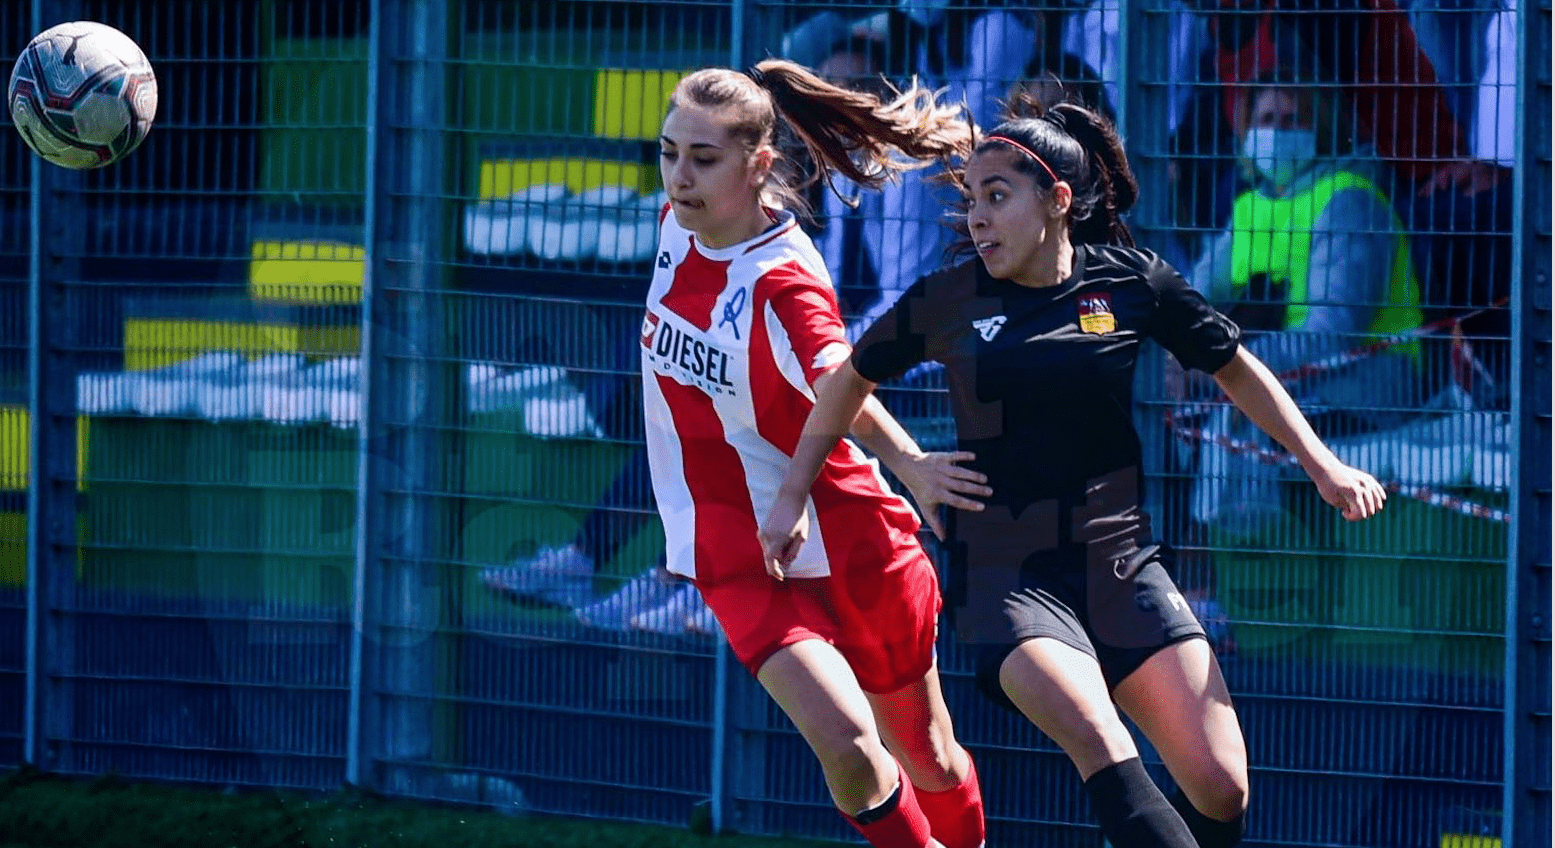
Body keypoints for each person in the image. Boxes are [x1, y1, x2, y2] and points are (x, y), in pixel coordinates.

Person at [761, 101, 1390, 848]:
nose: (977, 219)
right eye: (970, 201)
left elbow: (1237, 369)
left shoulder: (1130, 282)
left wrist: (1321, 465)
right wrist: (847, 481)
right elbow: (845, 378)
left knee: (1220, 785)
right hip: (1006, 578)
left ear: (1056, 200)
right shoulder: (948, 300)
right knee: (1103, 743)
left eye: (996, 196)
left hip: (1121, 563)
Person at [643, 60, 988, 848]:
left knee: (926, 755)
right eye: (668, 152)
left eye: (703, 158)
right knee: (850, 749)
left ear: (757, 164)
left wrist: (911, 466)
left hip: (849, 537)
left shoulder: (782, 279)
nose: (679, 176)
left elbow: (842, 382)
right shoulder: (674, 227)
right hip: (742, 552)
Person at [1185, 71, 1423, 528]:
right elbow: (1189, 298)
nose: (1277, 131)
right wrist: (1178, 357)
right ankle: (1208, 562)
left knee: (1251, 410)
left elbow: (1332, 337)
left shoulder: (1349, 199)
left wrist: (1219, 363)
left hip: (1369, 381)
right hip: (1297, 377)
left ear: (1323, 128)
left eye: (1294, 120)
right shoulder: (1250, 208)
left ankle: (1257, 569)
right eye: (1268, 118)